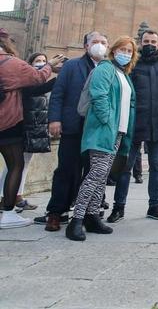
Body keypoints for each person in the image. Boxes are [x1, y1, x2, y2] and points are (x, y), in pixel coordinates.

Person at [34, 31, 109, 232]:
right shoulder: (72, 66)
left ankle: (87, 212)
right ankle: (56, 213)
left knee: (92, 172)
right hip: (73, 125)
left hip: (96, 130)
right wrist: (55, 119)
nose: (99, 45)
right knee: (66, 169)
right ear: (86, 46)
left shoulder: (108, 68)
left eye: (103, 42)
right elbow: (58, 94)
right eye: (95, 42)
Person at [65, 36, 137, 241]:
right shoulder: (105, 69)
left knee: (103, 174)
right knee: (96, 173)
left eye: (129, 51)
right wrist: (106, 121)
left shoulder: (124, 74)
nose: (125, 53)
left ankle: (92, 216)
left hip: (117, 131)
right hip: (103, 130)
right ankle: (76, 220)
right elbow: (98, 95)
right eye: (122, 49)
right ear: (113, 51)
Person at [110, 29, 158, 223]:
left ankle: (154, 206)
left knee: (156, 166)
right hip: (134, 124)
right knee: (125, 167)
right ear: (140, 42)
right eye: (146, 41)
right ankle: (118, 207)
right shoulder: (132, 65)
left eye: (153, 41)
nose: (150, 44)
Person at [0, 30, 61, 228]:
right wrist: (50, 65)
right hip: (7, 122)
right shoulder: (10, 62)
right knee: (15, 165)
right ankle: (8, 213)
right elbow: (36, 78)